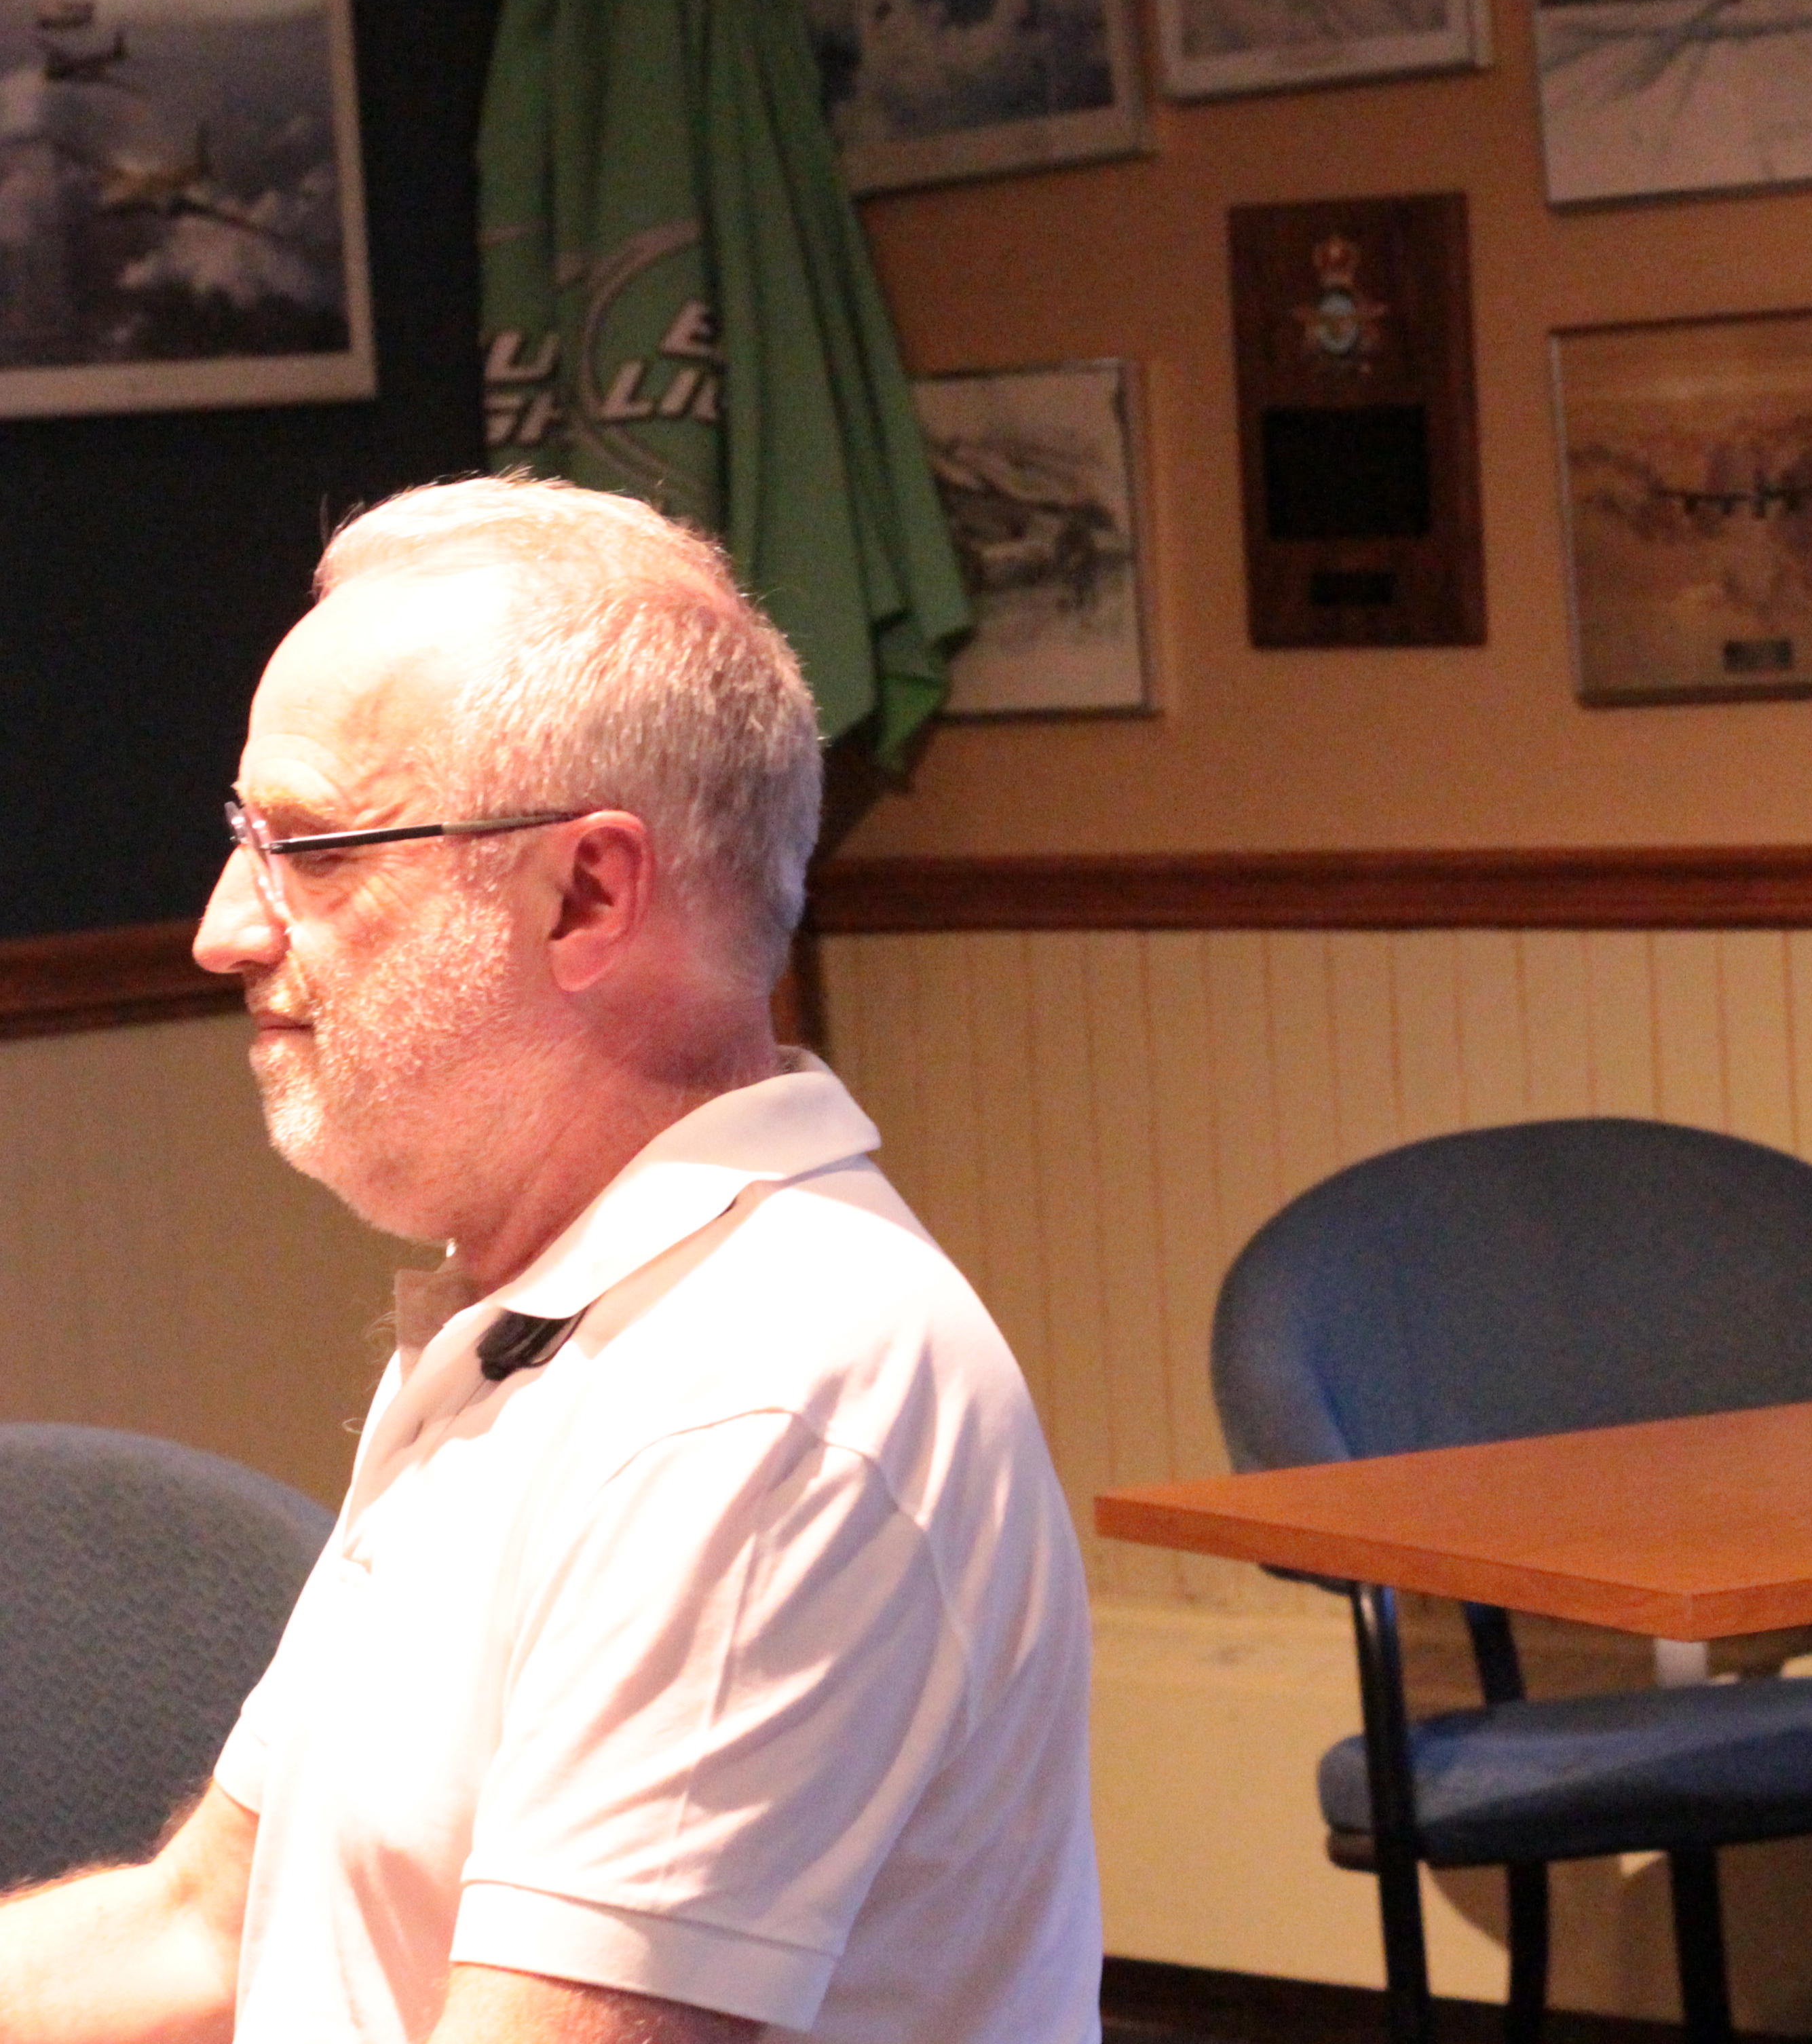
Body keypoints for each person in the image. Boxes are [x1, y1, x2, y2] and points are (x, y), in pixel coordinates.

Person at [0, 475, 1099, 2042]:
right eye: (244, 840)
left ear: (586, 893)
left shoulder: (761, 1394)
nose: (224, 928)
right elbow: (209, 1933)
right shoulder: (542, 1310)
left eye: (314, 851)